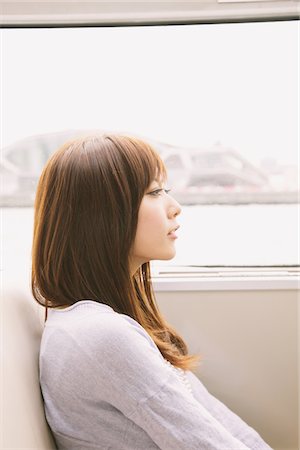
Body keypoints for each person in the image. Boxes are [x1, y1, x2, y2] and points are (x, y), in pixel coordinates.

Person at [32, 133, 273, 450]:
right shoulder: (101, 335)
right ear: (102, 214)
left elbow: (221, 427)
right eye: (156, 192)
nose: (175, 208)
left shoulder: (99, 325)